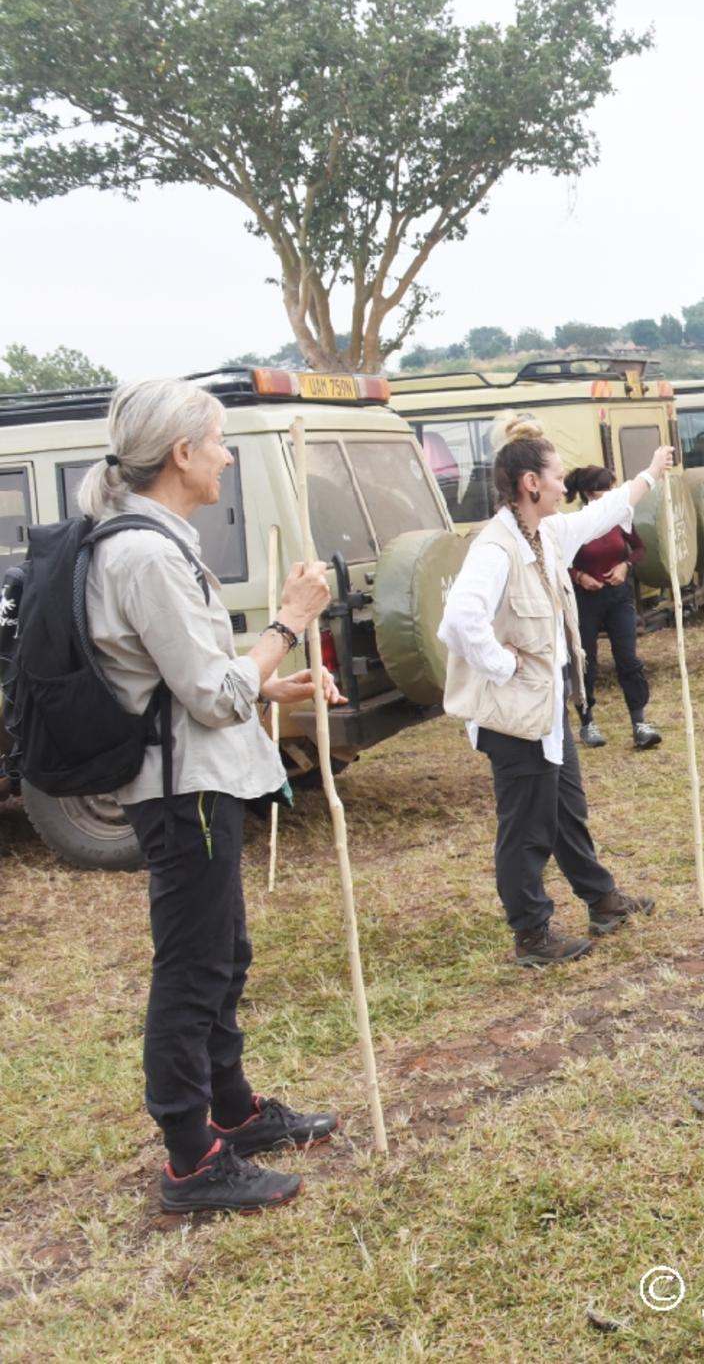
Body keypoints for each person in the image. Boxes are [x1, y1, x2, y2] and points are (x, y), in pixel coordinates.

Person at [81, 377, 344, 1214]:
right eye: (219, 442)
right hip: (182, 788)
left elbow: (187, 678)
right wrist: (289, 621)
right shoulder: (145, 554)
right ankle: (192, 1159)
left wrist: (275, 686)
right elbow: (208, 694)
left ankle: (232, 1111)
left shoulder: (151, 541)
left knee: (224, 955)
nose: (227, 457)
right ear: (182, 453)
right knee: (193, 969)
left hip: (193, 778)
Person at [438, 415, 674, 966]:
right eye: (557, 475)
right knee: (526, 827)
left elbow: (603, 514)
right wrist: (503, 666)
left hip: (545, 711)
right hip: (513, 716)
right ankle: (532, 934)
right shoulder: (496, 548)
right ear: (530, 483)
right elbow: (459, 620)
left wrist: (650, 474)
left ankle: (601, 900)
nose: (565, 484)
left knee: (566, 808)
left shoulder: (545, 535)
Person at [561, 465, 659, 751]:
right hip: (586, 600)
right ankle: (587, 721)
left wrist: (624, 565)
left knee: (628, 658)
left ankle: (640, 723)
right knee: (586, 661)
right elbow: (559, 561)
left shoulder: (619, 519)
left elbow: (639, 548)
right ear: (592, 493)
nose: (615, 493)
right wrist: (579, 577)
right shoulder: (578, 523)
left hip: (618, 597)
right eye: (610, 488)